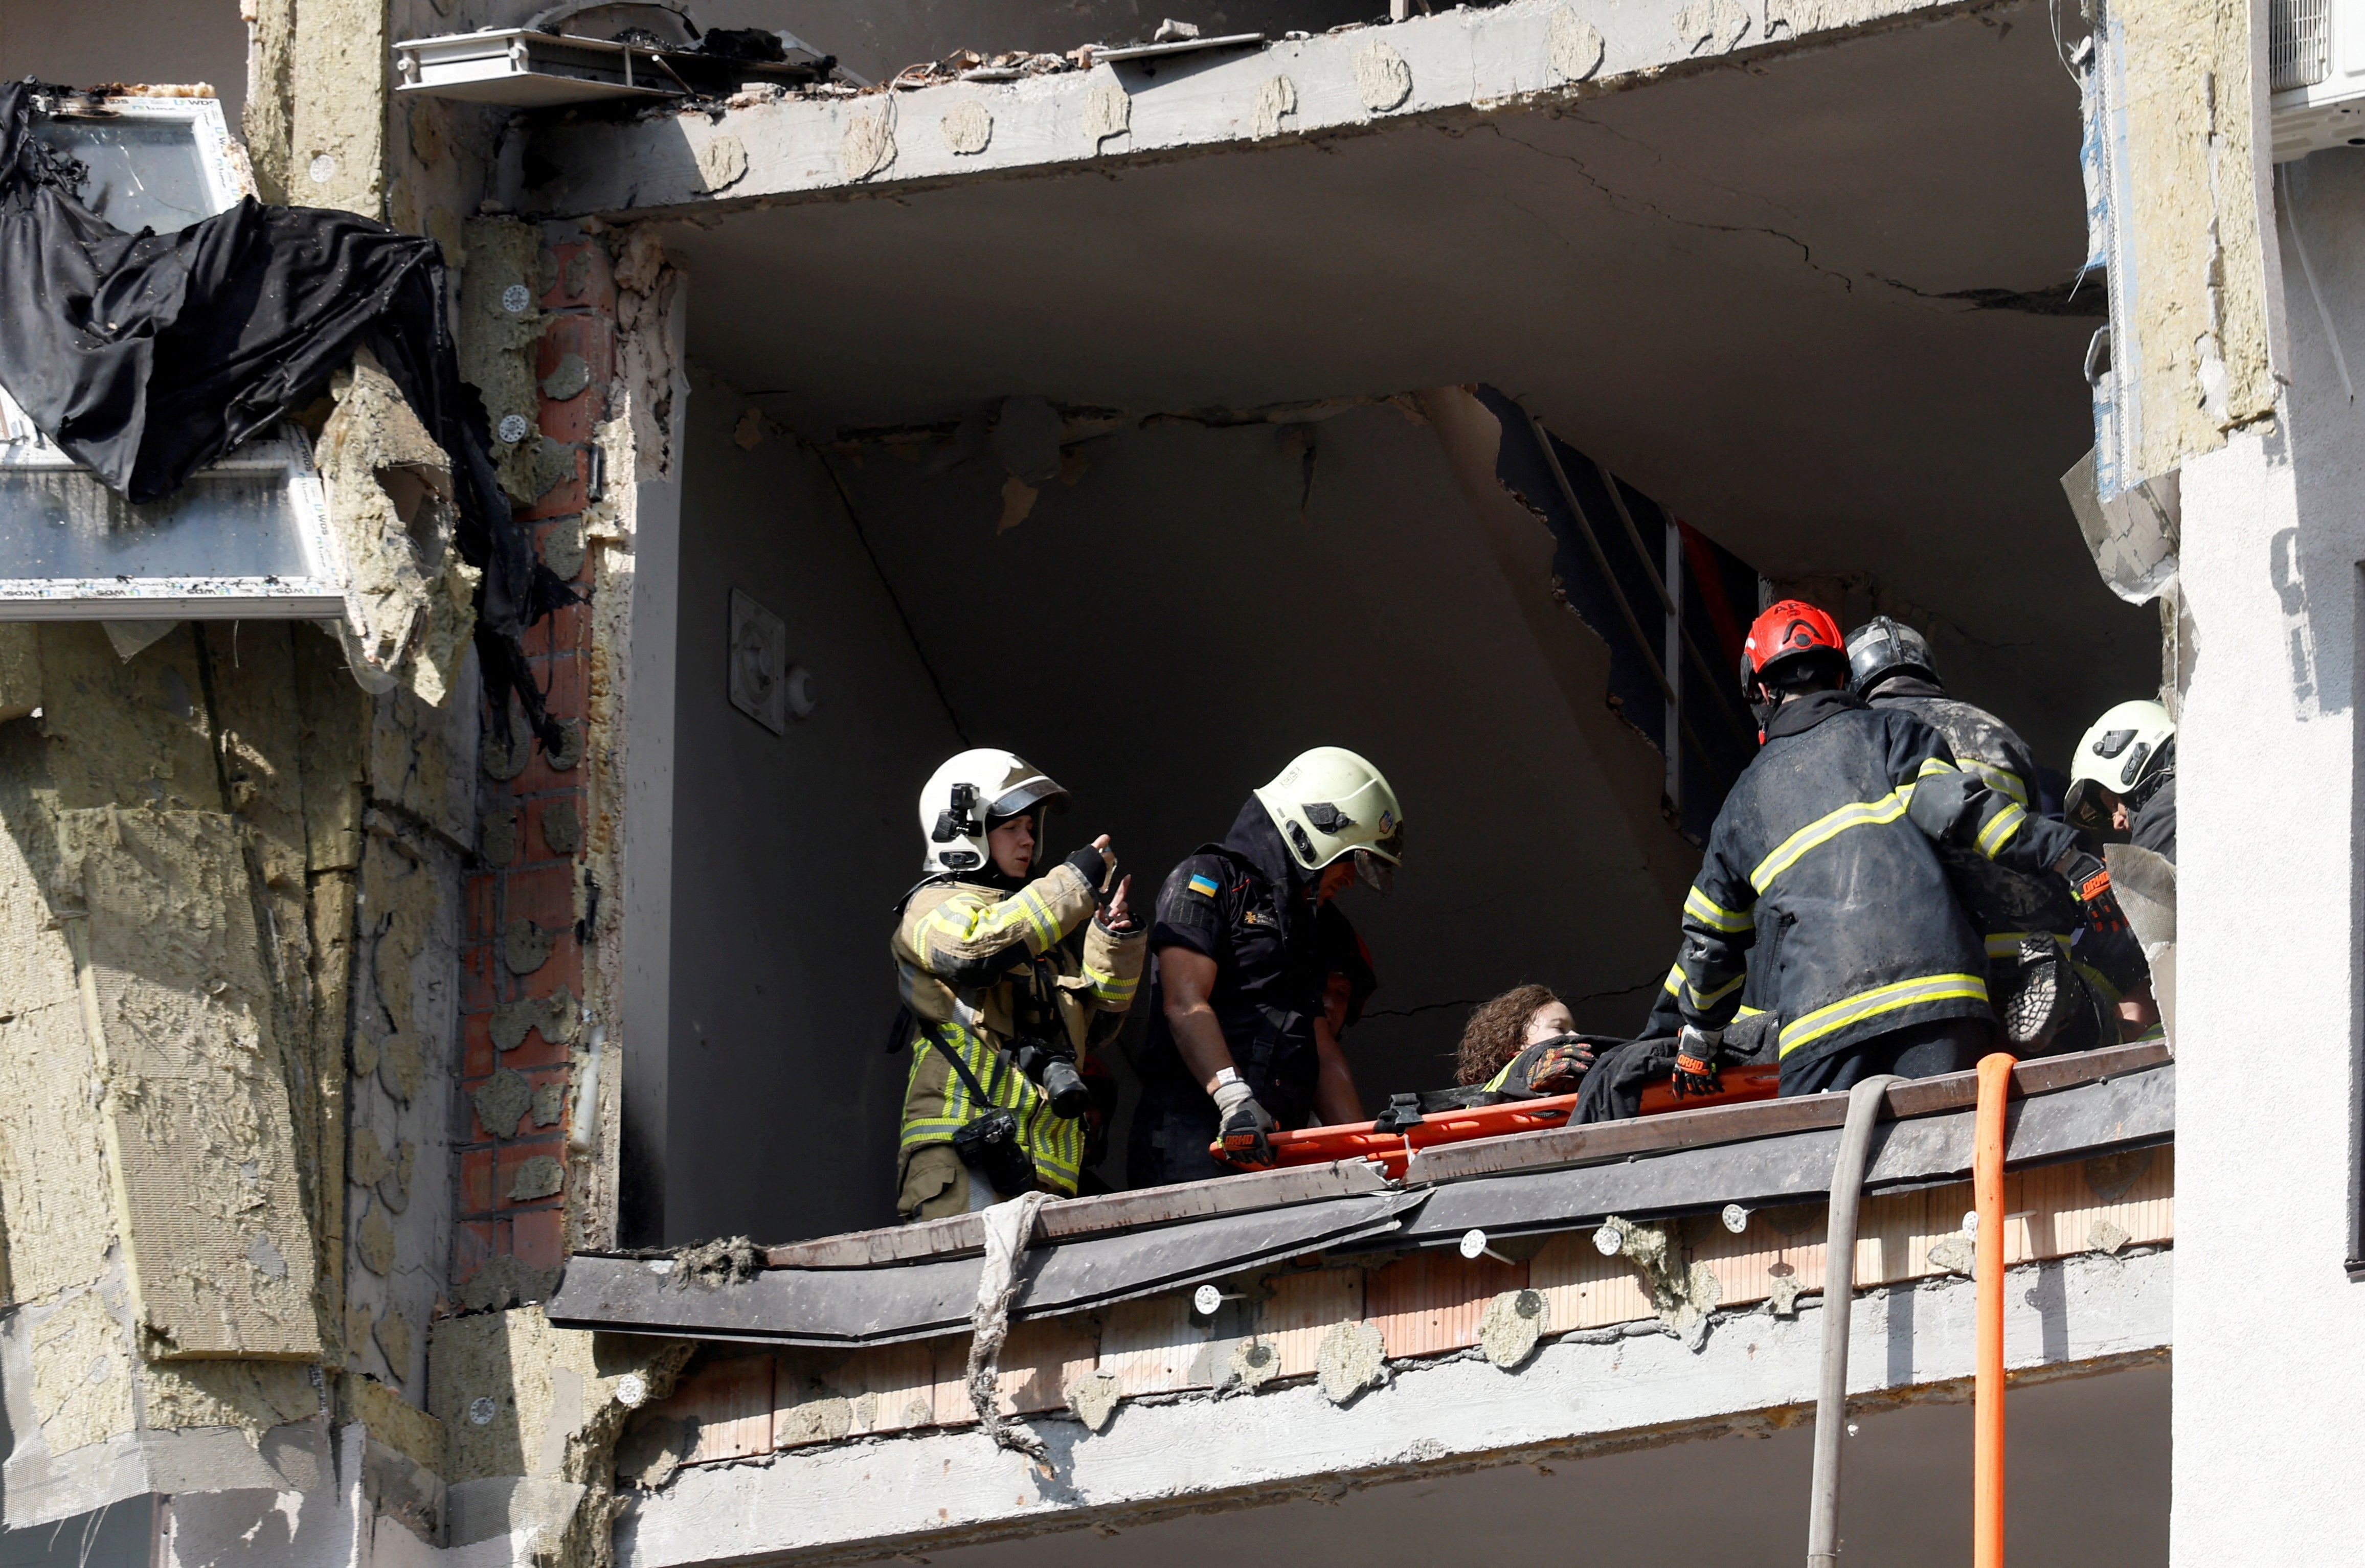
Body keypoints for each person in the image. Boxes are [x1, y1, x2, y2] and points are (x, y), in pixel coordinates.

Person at [1668, 600, 2092, 1096]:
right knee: (1943, 1155)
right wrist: (2069, 857)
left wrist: (1697, 1041)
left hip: (1822, 1028)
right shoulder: (1892, 735)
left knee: (1826, 1166)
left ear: (1759, 690)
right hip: (1940, 999)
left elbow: (1709, 940)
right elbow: (1970, 814)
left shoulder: (1743, 801)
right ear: (1840, 674)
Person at [1845, 616, 2137, 1053]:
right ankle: (2070, 1003)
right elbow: (2025, 831)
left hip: (1924, 960)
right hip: (2021, 948)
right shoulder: (1992, 730)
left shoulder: (1863, 741)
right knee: (2087, 1040)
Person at [890, 748, 1144, 1220]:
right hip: (962, 1158)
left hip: (1044, 1173)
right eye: (1011, 827)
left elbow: (1099, 1030)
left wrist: (1115, 941)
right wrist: (1071, 886)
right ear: (963, 828)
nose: (1027, 841)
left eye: (1031, 828)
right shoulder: (932, 907)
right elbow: (975, 950)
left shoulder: (1040, 931)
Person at [1126, 747, 1400, 1184]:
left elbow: (1318, 1042)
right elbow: (1183, 1001)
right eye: (1350, 857)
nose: (1350, 877)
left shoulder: (1308, 923)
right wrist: (1234, 1100)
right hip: (1198, 1137)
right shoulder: (1207, 879)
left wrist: (1365, 1152)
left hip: (1273, 1140)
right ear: (1314, 828)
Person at [2066, 699, 2176, 862]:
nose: (2117, 823)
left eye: (2112, 804)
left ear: (2134, 761)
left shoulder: (2160, 815)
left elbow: (2148, 886)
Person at [1453, 986, 1597, 1099]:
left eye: (1574, 1029)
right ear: (1515, 1045)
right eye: (1560, 1028)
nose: (1576, 1036)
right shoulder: (1484, 1100)